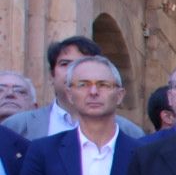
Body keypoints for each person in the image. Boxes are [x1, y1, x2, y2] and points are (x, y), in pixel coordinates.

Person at [5, 36, 141, 140]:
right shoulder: (17, 126)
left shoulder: (129, 132)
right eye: (65, 64)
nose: (73, 71)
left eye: (83, 63)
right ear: (52, 75)